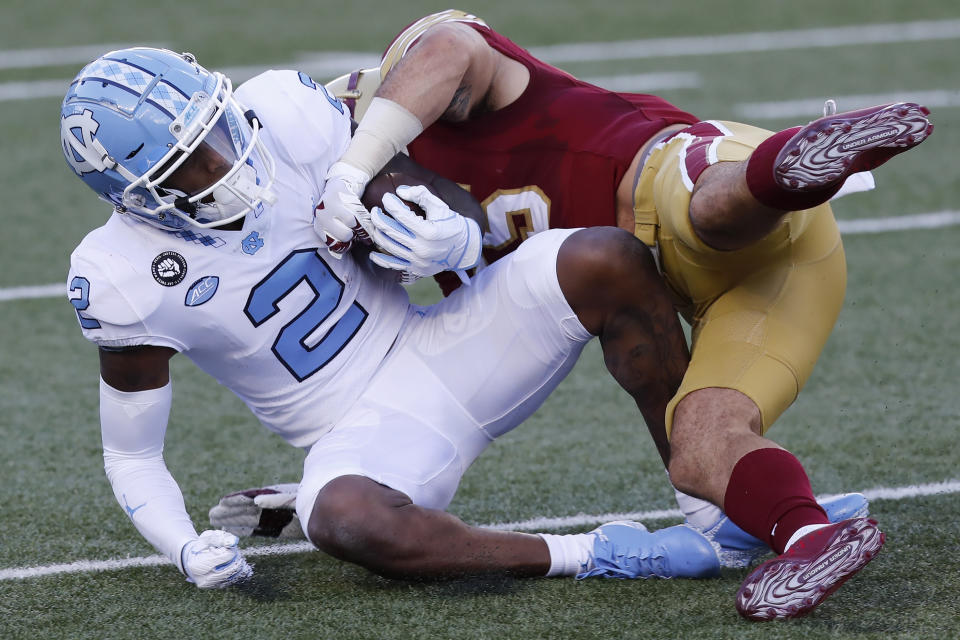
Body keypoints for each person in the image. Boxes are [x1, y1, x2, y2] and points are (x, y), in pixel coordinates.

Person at [305, 10, 932, 620]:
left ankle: (793, 168)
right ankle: (809, 540)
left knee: (694, 213)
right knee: (698, 447)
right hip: (782, 283)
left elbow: (445, 45)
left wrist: (352, 167)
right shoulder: (433, 223)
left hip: (694, 173)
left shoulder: (459, 82)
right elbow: (454, 358)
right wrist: (356, 470)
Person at [61, 47, 727, 590]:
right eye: (190, 166)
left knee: (605, 258)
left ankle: (714, 507)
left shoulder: (283, 115)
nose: (224, 163)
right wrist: (183, 549)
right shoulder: (124, 277)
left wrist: (454, 235)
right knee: (349, 518)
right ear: (138, 199)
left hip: (445, 342)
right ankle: (598, 553)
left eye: (219, 129)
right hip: (358, 429)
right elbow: (131, 454)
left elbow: (434, 197)